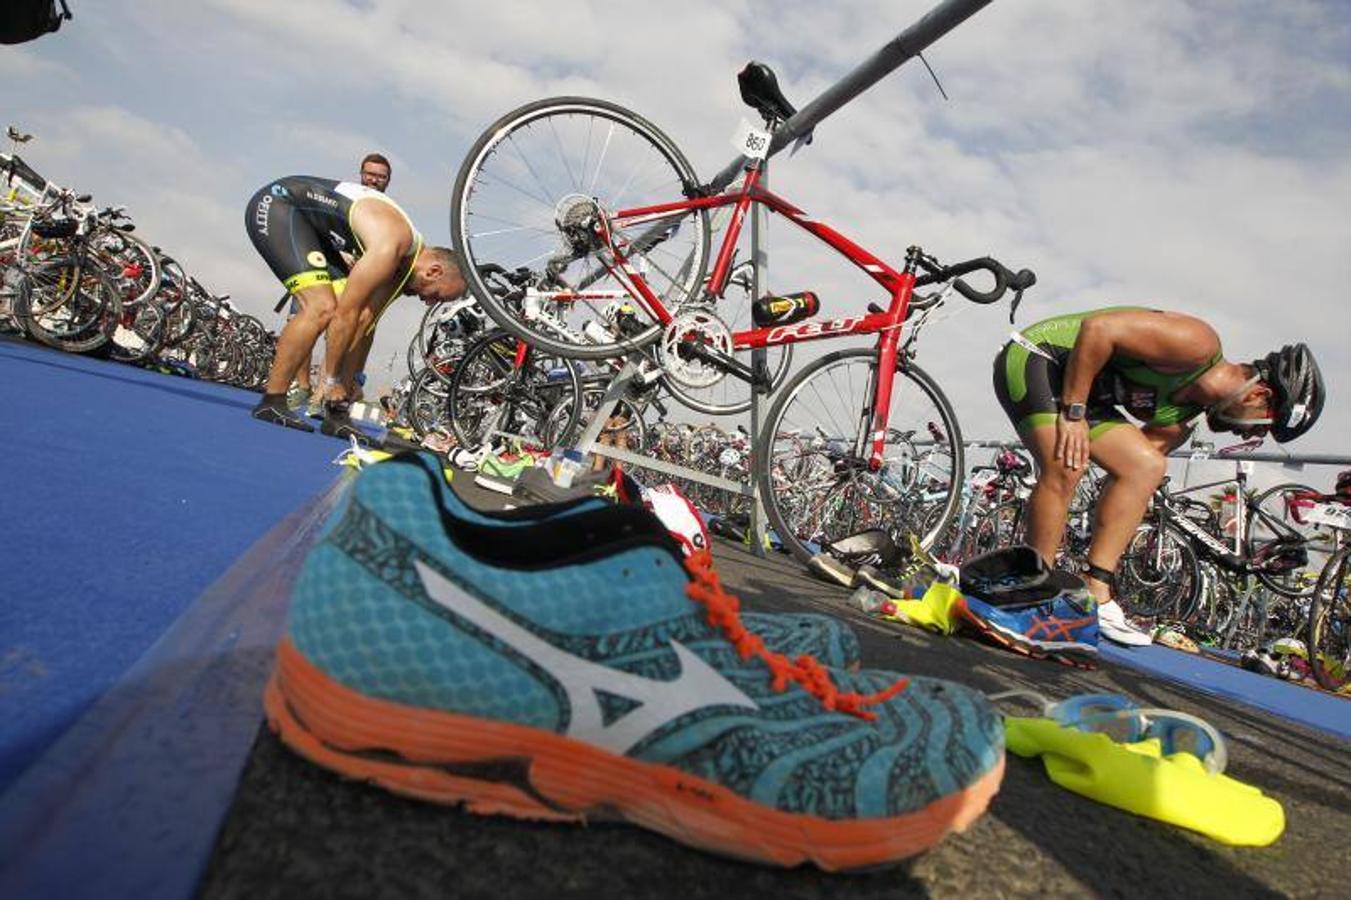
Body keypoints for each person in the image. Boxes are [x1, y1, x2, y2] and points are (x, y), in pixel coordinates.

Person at [992, 307, 1324, 645]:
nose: (1247, 437)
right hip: (1040, 356)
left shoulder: (1177, 422)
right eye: (1261, 427)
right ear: (1258, 395)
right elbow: (1099, 329)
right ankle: (1031, 588)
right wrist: (1074, 412)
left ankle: (1095, 590)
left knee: (1147, 466)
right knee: (1067, 465)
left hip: (1075, 392)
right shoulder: (1198, 344)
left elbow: (1125, 481)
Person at [245, 175, 465, 434]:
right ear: (434, 272)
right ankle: (272, 400)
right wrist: (332, 381)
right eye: (436, 296)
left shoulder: (403, 268)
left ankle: (335, 413)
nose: (428, 302)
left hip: (316, 230)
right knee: (321, 308)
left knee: (349, 317)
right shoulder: (392, 246)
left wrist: (344, 391)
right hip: (280, 205)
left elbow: (364, 325)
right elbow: (344, 317)